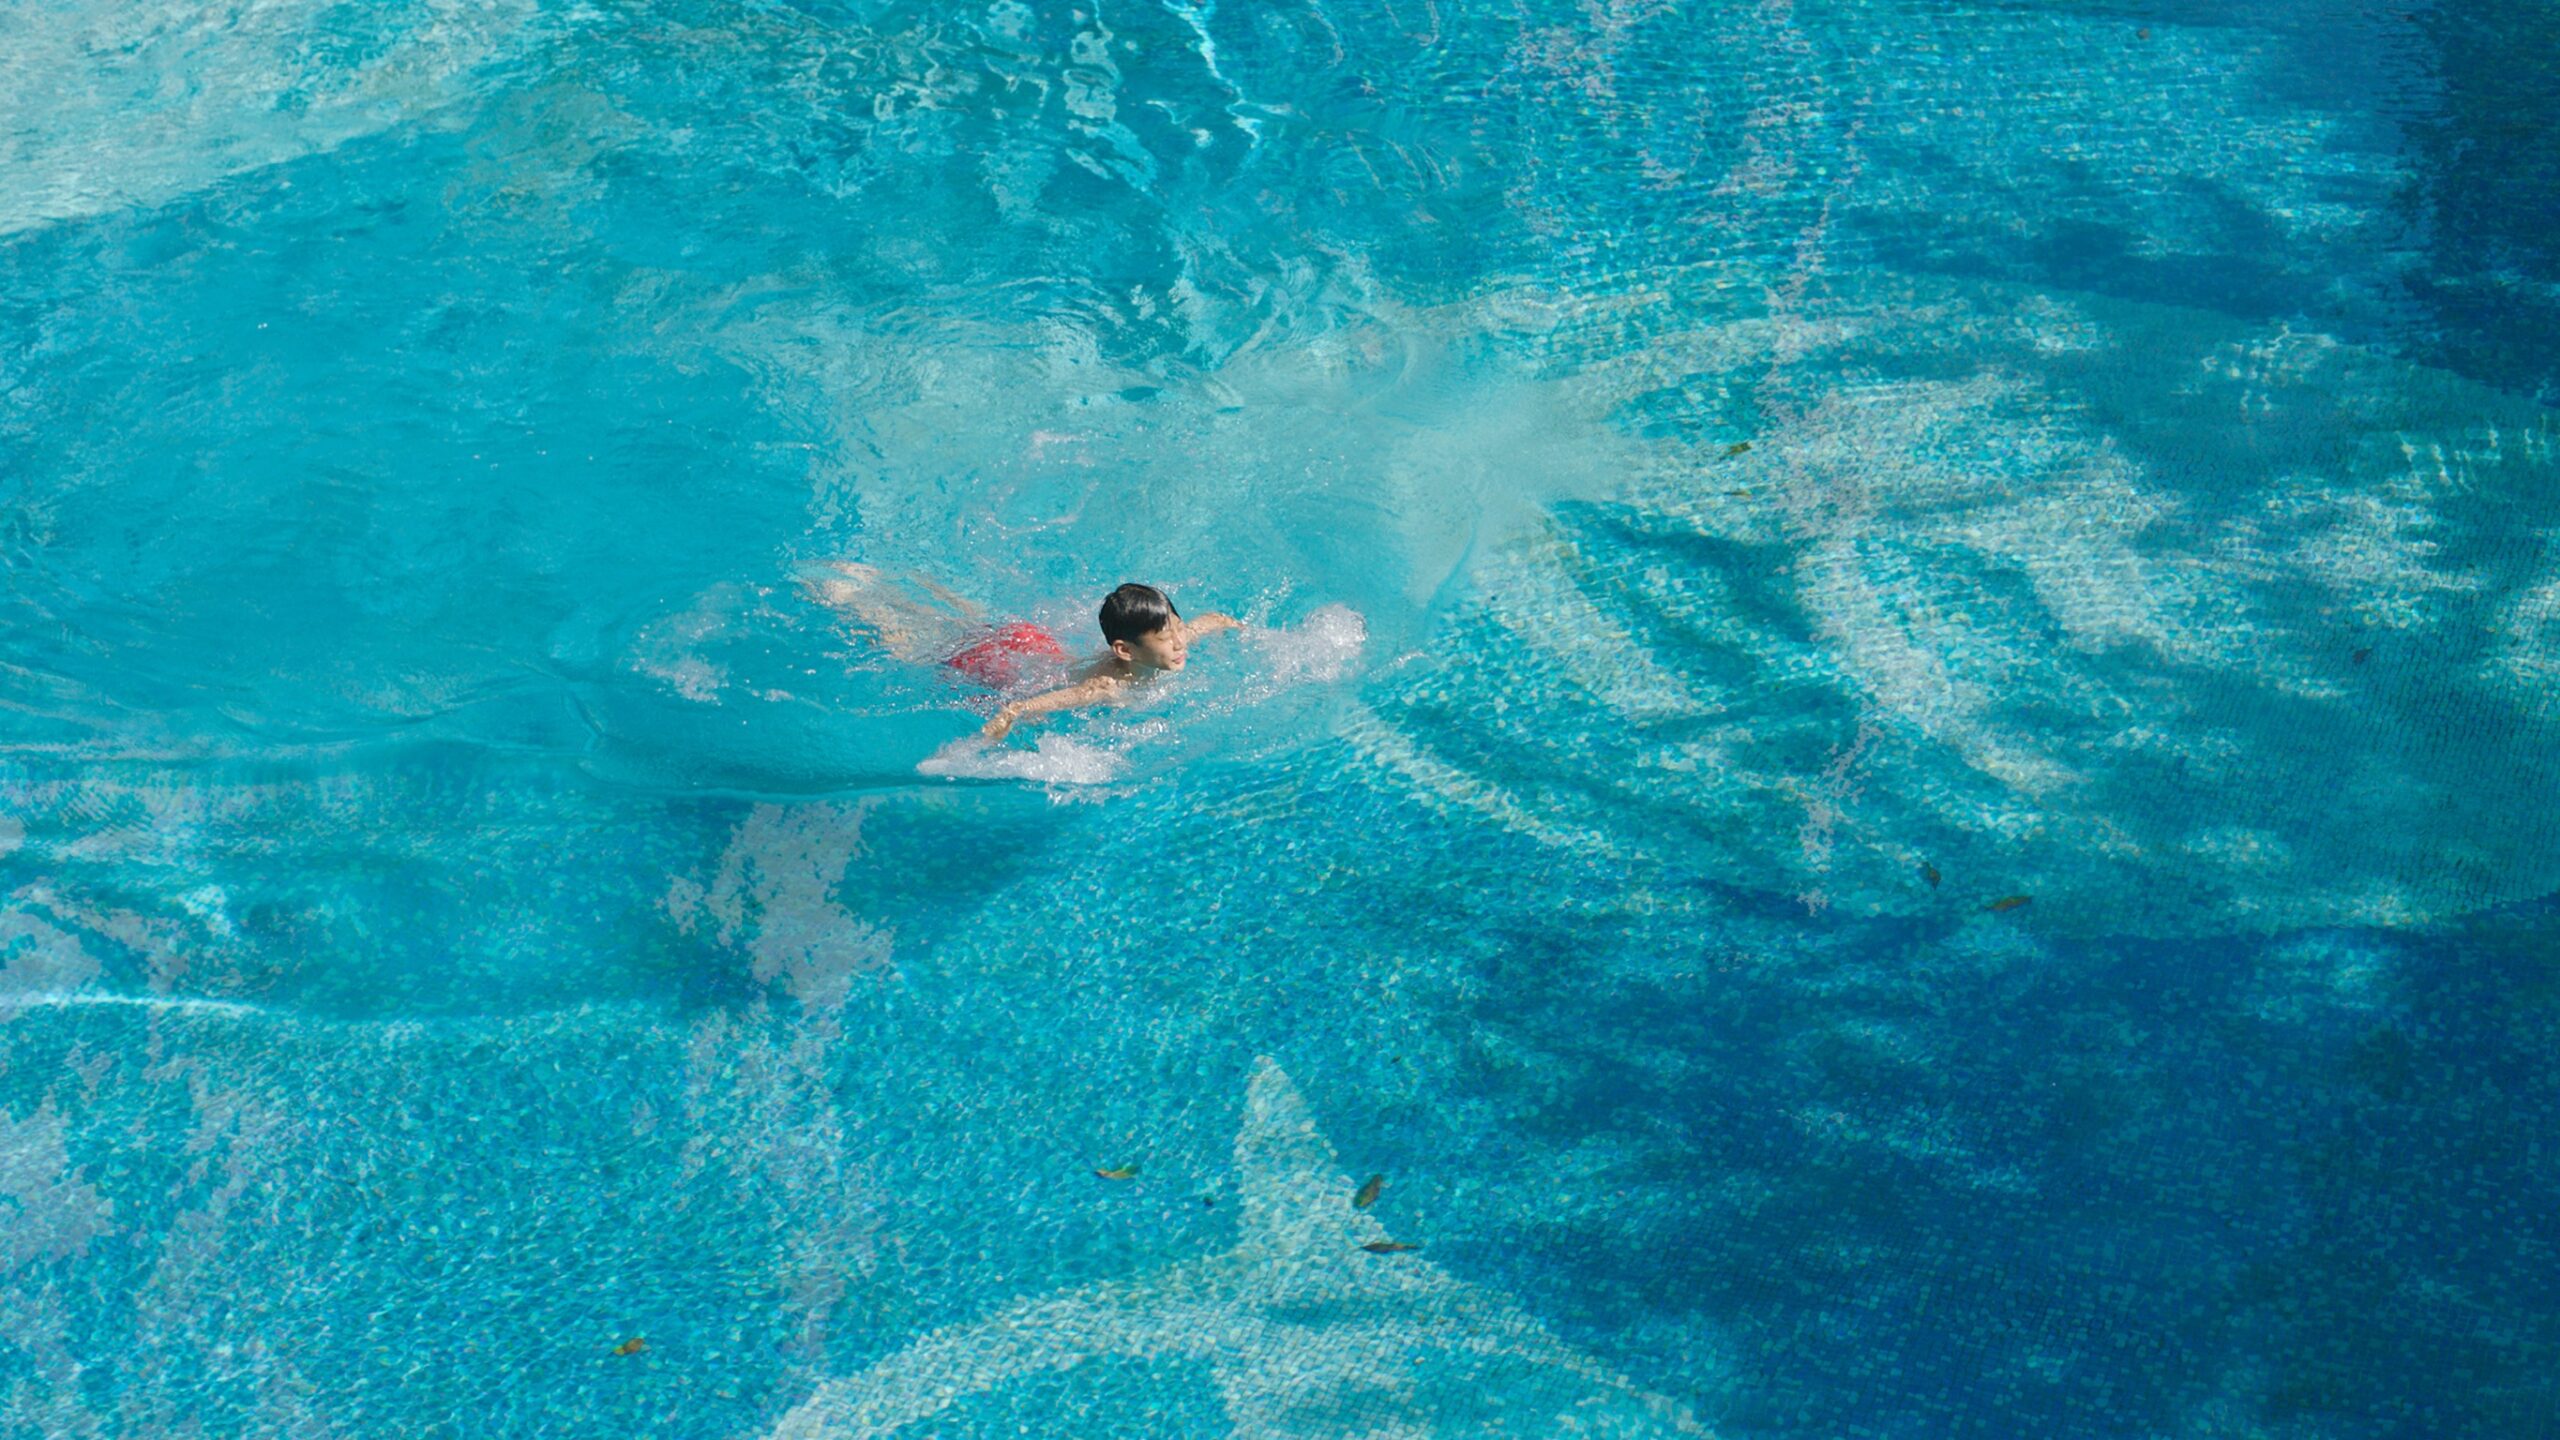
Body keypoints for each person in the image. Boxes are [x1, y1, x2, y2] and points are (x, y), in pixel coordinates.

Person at [979, 582, 1240, 741]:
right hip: (1007, 665)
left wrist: (1238, 628)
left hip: (1043, 647)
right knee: (968, 623)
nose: (1180, 642)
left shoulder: (1174, 642)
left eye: (1179, 628)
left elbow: (1214, 620)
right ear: (1125, 650)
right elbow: (1055, 699)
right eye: (1164, 638)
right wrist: (1012, 714)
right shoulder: (1108, 685)